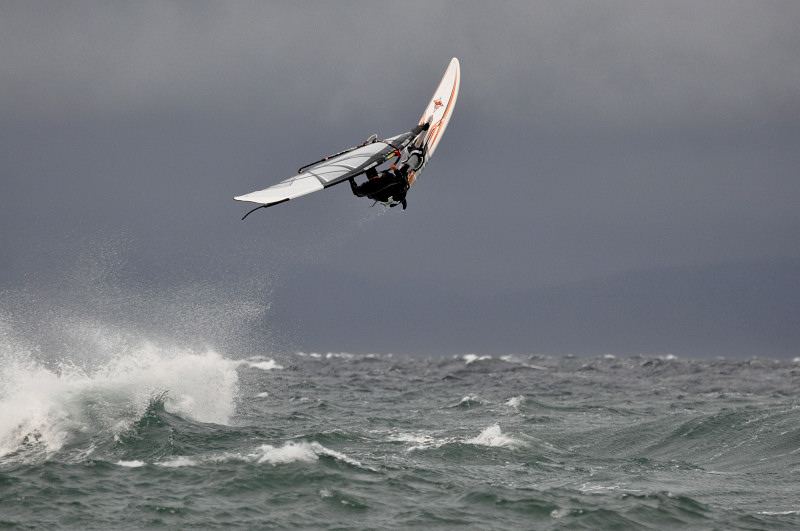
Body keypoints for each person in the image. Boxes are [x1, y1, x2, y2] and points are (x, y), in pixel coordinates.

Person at [348, 122, 429, 210]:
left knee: (371, 171)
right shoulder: (388, 182)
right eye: (378, 176)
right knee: (405, 170)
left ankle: (368, 150)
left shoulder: (368, 190)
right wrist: (395, 170)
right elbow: (402, 182)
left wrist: (351, 178)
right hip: (398, 195)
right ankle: (416, 155)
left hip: (388, 198)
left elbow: (356, 192)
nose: (379, 174)